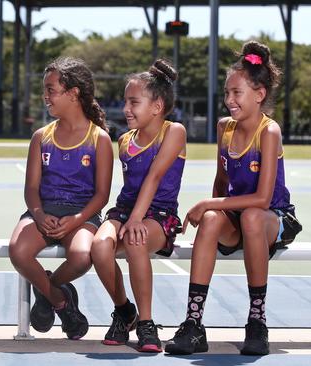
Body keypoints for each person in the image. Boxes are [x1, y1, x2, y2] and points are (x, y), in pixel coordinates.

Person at [165, 40, 302, 356]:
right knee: (212, 219)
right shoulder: (224, 127)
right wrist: (213, 217)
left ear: (259, 94)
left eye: (236, 93)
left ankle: (257, 320)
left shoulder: (269, 132)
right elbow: (222, 181)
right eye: (226, 93)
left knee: (251, 216)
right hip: (238, 216)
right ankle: (194, 324)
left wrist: (210, 204)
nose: (229, 100)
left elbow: (264, 198)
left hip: (273, 217)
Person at [8, 56, 113, 340]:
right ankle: (60, 300)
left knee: (80, 257)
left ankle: (45, 292)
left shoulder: (99, 138)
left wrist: (76, 220)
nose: (45, 97)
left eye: (51, 90)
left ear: (73, 93)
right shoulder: (41, 137)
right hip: (43, 212)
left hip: (82, 215)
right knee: (18, 251)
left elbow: (102, 194)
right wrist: (39, 215)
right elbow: (31, 189)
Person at [90, 59, 186, 353]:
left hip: (159, 214)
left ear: (157, 106)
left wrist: (135, 220)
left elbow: (155, 177)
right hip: (126, 210)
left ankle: (146, 322)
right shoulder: (124, 140)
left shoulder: (174, 132)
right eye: (125, 102)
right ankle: (124, 310)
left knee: (134, 240)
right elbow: (130, 188)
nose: (126, 109)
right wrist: (128, 217)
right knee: (100, 246)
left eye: (134, 102)